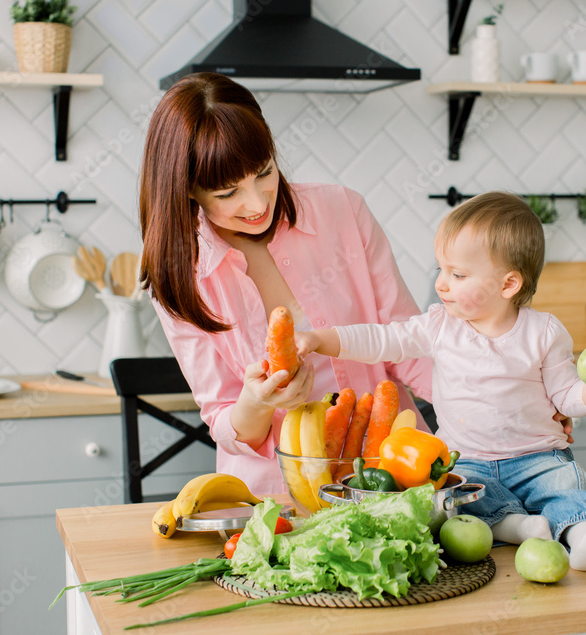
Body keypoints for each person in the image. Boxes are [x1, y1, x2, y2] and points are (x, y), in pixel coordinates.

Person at [295, 191, 586, 571]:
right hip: (467, 458)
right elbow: (383, 339)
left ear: (508, 284)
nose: (442, 284)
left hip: (539, 457)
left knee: (568, 486)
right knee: (459, 498)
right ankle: (519, 527)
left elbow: (569, 400)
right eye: (440, 270)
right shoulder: (440, 325)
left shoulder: (544, 332)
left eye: (458, 275)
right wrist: (320, 339)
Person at [138, 73, 432, 497]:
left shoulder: (342, 210)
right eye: (227, 193)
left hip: (390, 473)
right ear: (187, 191)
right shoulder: (180, 275)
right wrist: (259, 402)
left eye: (264, 172)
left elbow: (409, 343)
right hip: (276, 499)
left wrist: (497, 401)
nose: (257, 203)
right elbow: (223, 418)